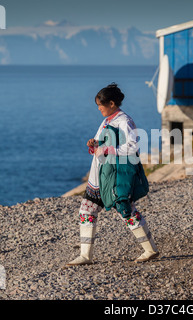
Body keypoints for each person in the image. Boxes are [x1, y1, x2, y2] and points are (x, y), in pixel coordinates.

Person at [65, 83, 159, 267]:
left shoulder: (124, 121)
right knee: (86, 211)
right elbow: (102, 144)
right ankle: (85, 255)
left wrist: (106, 149)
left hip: (115, 176)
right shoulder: (107, 120)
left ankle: (150, 249)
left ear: (112, 103)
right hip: (99, 176)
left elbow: (132, 146)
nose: (99, 108)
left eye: (101, 105)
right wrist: (94, 144)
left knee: (126, 210)